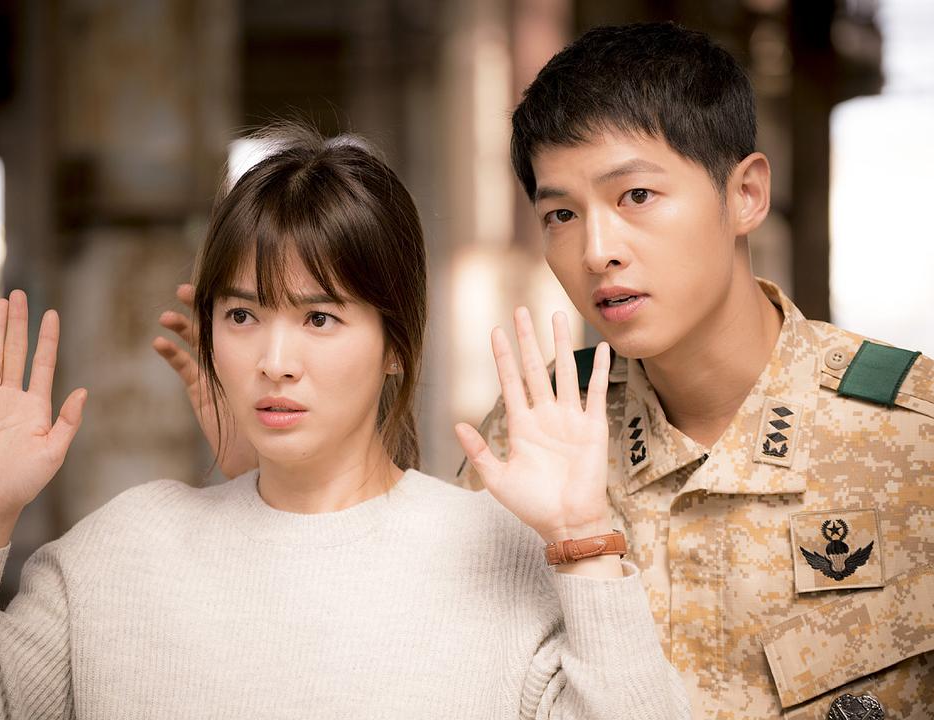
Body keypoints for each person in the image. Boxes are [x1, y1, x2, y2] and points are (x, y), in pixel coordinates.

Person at [158, 24, 934, 720]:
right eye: (561, 214)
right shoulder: (534, 435)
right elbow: (397, 648)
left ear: (747, 194)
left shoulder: (912, 441)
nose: (597, 250)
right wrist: (273, 477)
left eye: (636, 195)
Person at [0, 125, 689, 718]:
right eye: (242, 316)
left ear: (396, 346)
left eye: (320, 318)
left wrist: (584, 536)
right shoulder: (121, 553)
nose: (274, 360)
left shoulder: (496, 553)